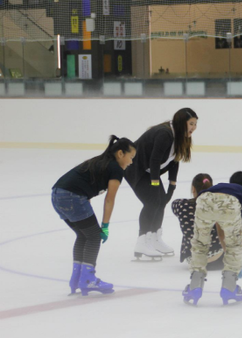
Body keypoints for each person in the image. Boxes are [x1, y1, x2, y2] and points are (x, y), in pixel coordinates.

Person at [52, 136, 136, 296]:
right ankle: (88, 279)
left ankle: (76, 278)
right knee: (94, 237)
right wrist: (104, 226)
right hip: (72, 197)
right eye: (131, 157)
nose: (131, 162)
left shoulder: (99, 161)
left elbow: (83, 184)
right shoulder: (116, 169)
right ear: (120, 154)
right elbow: (110, 199)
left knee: (83, 236)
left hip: (57, 195)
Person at [182, 171, 242, 306]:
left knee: (200, 243)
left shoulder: (219, 188)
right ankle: (229, 287)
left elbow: (221, 233)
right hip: (230, 204)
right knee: (235, 245)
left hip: (203, 199)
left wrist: (229, 257)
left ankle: (194, 287)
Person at [126, 108, 198, 260]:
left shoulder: (181, 136)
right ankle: (142, 241)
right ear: (181, 122)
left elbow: (175, 161)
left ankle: (154, 238)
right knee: (152, 202)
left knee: (160, 202)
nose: (193, 128)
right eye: (191, 123)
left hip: (150, 171)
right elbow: (154, 159)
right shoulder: (164, 134)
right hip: (134, 168)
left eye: (195, 125)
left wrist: (172, 185)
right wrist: (154, 183)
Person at [172, 173, 242, 270]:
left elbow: (176, 209)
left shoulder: (180, 204)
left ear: (193, 188)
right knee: (232, 227)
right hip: (218, 260)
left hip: (194, 260)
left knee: (194, 227)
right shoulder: (221, 205)